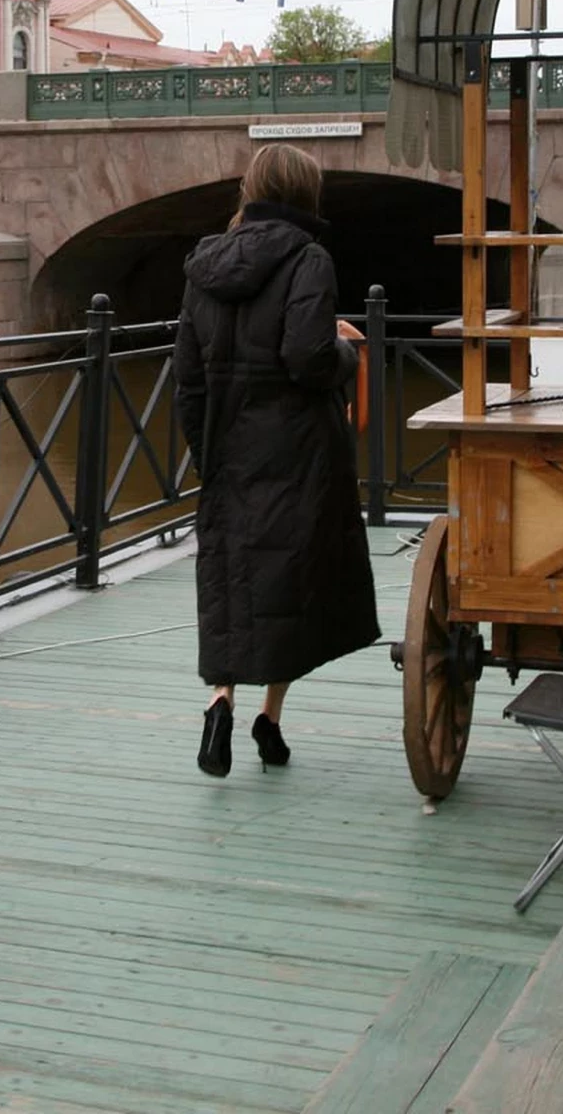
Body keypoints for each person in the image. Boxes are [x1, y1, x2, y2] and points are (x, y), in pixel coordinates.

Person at [172, 143, 379, 777]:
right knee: (292, 585)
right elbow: (308, 360)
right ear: (304, 195)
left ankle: (220, 704)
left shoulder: (202, 265)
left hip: (228, 451)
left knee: (232, 583)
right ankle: (271, 718)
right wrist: (348, 351)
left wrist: (208, 457)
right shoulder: (308, 258)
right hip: (297, 454)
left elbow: (187, 377)